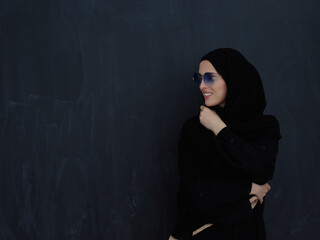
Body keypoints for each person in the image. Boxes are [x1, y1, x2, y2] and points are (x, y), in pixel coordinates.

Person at [168, 48, 282, 240]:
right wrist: (248, 189)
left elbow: (260, 169)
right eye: (199, 78)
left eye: (210, 78)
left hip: (246, 233)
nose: (202, 85)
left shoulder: (264, 127)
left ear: (233, 79)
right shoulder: (193, 129)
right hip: (200, 233)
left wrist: (219, 128)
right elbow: (196, 194)